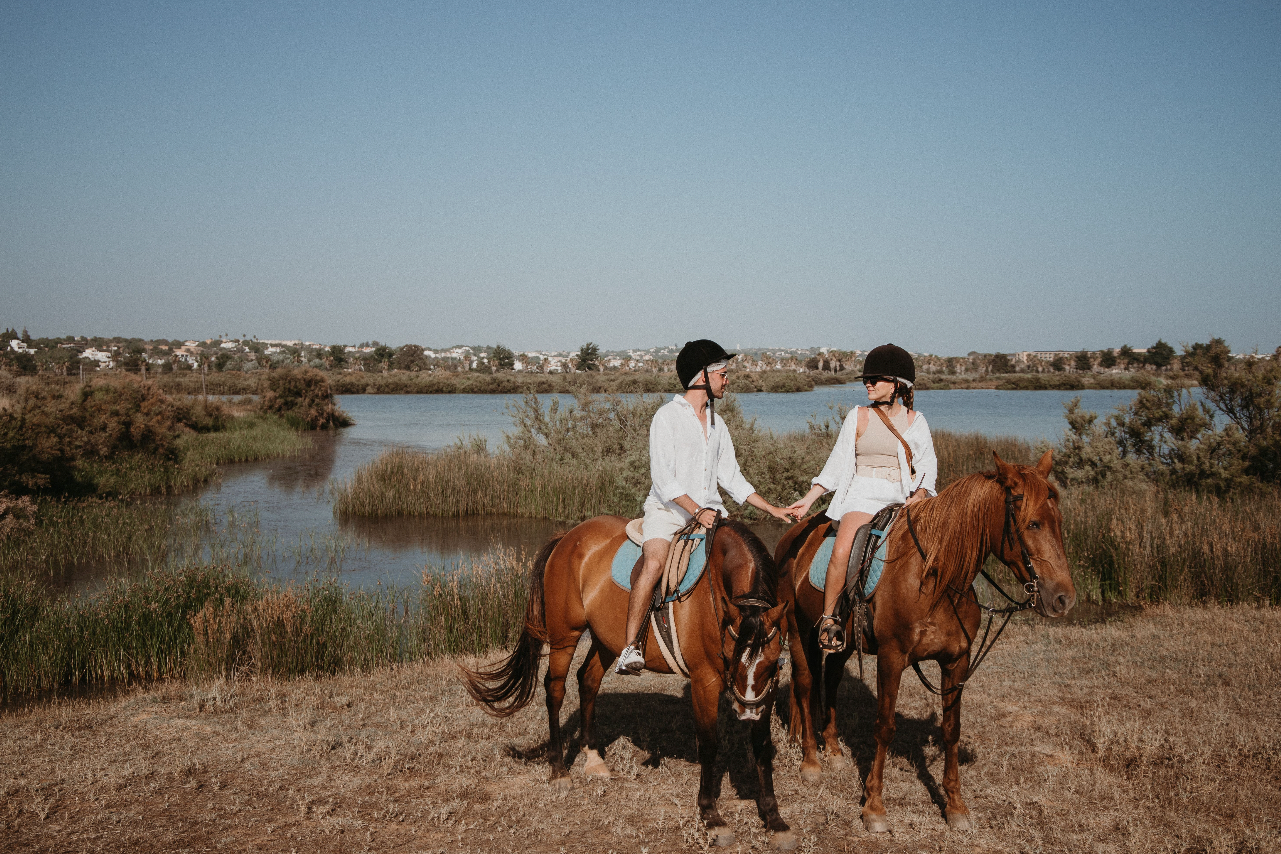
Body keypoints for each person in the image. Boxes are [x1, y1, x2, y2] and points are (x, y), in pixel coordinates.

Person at [616, 339, 794, 674]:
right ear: (702, 376)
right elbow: (664, 479)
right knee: (654, 563)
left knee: (752, 565)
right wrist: (696, 510)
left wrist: (773, 510)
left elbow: (732, 477)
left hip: (712, 517)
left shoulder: (717, 423)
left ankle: (751, 646)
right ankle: (630, 647)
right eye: (723, 374)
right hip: (668, 513)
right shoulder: (666, 417)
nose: (728, 380)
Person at [786, 343, 938, 651]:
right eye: (865, 379)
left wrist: (920, 493)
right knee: (842, 547)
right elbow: (837, 465)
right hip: (862, 495)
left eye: (876, 379)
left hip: (900, 498)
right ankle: (830, 619)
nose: (868, 384)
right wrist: (811, 497)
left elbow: (927, 469)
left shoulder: (916, 421)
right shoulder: (858, 417)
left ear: (897, 385)